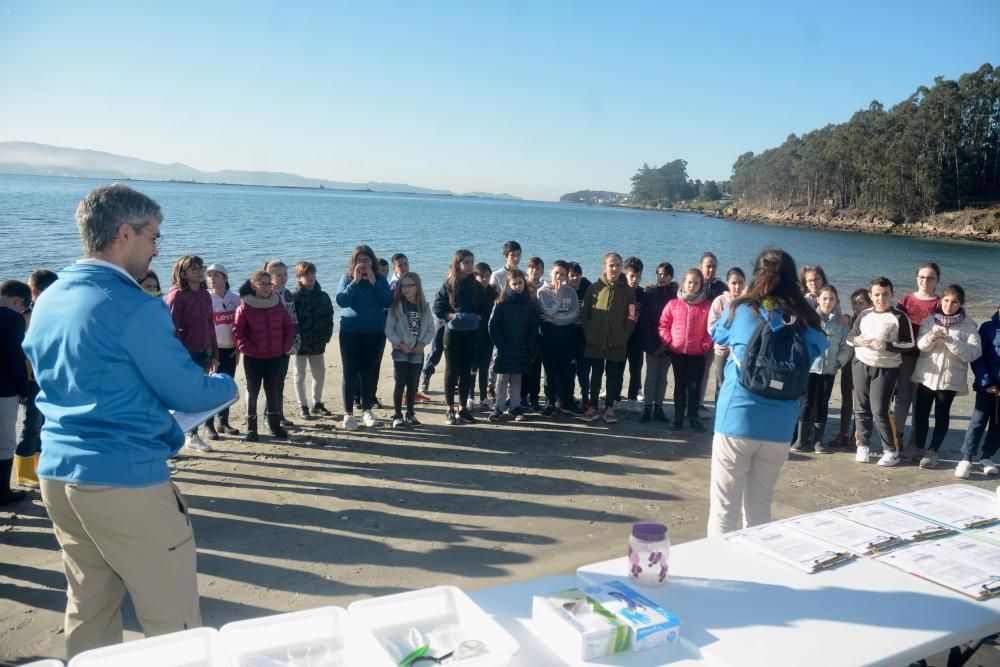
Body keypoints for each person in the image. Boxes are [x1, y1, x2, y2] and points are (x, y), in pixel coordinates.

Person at [22, 184, 237, 657]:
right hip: (123, 479)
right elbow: (186, 389)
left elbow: (53, 377)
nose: (157, 247)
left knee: (89, 605)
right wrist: (228, 384)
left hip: (58, 472)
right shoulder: (134, 306)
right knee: (171, 614)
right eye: (153, 236)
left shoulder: (51, 298)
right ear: (124, 233)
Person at [707, 248, 828, 536]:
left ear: (757, 275)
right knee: (760, 506)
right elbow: (819, 348)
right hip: (781, 426)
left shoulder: (741, 310)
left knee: (724, 509)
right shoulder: (807, 321)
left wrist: (747, 293)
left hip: (737, 419)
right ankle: (757, 572)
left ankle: (718, 573)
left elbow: (716, 334)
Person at [848, 276, 915, 466]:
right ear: (871, 296)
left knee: (880, 410)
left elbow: (909, 343)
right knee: (860, 407)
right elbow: (850, 337)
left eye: (885, 294)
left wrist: (887, 345)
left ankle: (891, 451)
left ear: (892, 295)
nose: (881, 298)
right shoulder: (864, 315)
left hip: (886, 369)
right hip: (861, 363)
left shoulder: (899, 316)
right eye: (877, 295)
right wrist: (857, 341)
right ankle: (863, 446)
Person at [912, 285, 981, 469]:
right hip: (927, 375)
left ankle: (932, 451)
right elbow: (920, 346)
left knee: (941, 414)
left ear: (961, 304)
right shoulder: (929, 321)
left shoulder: (969, 325)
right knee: (920, 413)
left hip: (950, 378)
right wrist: (931, 338)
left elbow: (973, 353)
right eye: (946, 301)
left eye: (954, 302)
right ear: (941, 300)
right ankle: (918, 446)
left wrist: (951, 340)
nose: (949, 305)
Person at [164, 255, 220, 450]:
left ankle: (192, 435)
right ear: (183, 272)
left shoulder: (205, 294)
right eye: (193, 268)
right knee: (181, 396)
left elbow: (210, 324)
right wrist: (179, 357)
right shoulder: (176, 296)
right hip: (185, 354)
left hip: (204, 350)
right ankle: (175, 437)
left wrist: (214, 353)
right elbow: (171, 330)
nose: (199, 271)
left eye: (200, 267)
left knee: (198, 394)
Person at [234, 271, 295, 441]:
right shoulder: (244, 307)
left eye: (269, 283)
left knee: (273, 390)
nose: (267, 287)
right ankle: (251, 428)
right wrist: (250, 349)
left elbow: (288, 327)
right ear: (254, 286)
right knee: (252, 391)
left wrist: (285, 346)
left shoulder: (277, 304)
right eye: (262, 284)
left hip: (275, 355)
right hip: (254, 358)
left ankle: (275, 425)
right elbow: (238, 333)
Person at [336, 245, 392, 430]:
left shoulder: (381, 279)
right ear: (354, 262)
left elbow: (387, 300)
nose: (364, 263)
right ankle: (348, 414)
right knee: (350, 372)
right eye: (360, 259)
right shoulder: (347, 278)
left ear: (372, 262)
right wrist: (356, 281)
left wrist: (374, 281)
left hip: (374, 333)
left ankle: (367, 410)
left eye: (367, 260)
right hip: (350, 332)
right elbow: (342, 301)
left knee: (368, 372)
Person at [578, 252, 636, 424]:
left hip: (616, 342)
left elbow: (632, 317)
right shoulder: (594, 289)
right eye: (611, 265)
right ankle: (593, 406)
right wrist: (590, 333)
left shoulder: (628, 292)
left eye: (618, 265)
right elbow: (585, 313)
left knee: (613, 375)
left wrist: (623, 335)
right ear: (604, 267)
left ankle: (609, 407)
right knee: (595, 374)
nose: (615, 268)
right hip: (595, 341)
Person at [14, 268, 58, 488]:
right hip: (31, 379)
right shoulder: (24, 316)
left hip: (51, 375)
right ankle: (24, 473)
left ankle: (39, 468)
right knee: (31, 424)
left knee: (45, 424)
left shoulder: (55, 312)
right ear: (34, 292)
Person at [794, 285, 851, 454]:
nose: (828, 302)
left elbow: (846, 347)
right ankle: (801, 440)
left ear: (836, 301)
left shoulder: (842, 323)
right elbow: (800, 343)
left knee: (822, 403)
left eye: (831, 299)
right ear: (817, 299)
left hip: (829, 370)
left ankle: (818, 441)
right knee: (806, 402)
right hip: (810, 369)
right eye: (824, 298)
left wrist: (837, 363)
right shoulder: (808, 319)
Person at [434, 249, 488, 424]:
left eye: (472, 262)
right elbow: (437, 306)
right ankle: (450, 408)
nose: (470, 265)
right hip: (452, 334)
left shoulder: (476, 285)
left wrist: (478, 316)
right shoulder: (449, 284)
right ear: (457, 264)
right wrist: (450, 316)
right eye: (466, 262)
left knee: (466, 371)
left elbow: (485, 307)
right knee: (451, 370)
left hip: (471, 334)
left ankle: (462, 408)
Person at [895, 263, 942, 460]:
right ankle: (895, 440)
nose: (925, 281)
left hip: (928, 359)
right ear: (916, 278)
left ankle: (915, 442)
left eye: (930, 278)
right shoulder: (906, 300)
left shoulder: (941, 303)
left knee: (919, 402)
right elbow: (893, 324)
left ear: (937, 280)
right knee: (902, 398)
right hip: (905, 357)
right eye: (922, 277)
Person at [660, 268, 714, 431]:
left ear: (701, 285)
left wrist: (705, 345)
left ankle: (693, 418)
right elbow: (664, 325)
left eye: (696, 283)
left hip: (697, 354)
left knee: (694, 387)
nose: (692, 286)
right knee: (679, 386)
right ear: (684, 282)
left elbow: (712, 329)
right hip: (678, 353)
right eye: (690, 282)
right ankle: (677, 418)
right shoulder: (673, 304)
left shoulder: (707, 305)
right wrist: (670, 342)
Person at [384, 271, 435, 429]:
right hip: (400, 350)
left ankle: (411, 414)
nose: (406, 289)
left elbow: (431, 330)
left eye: (410, 285)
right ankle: (398, 415)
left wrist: (422, 344)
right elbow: (389, 329)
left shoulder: (424, 307)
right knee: (400, 382)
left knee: (412, 383)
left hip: (417, 351)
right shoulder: (397, 306)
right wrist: (399, 344)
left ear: (417, 287)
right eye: (403, 286)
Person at [488, 269, 538, 422]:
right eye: (514, 283)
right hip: (504, 348)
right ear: (508, 285)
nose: (517, 286)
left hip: (522, 348)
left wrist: (530, 345)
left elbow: (533, 327)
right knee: (502, 379)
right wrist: (500, 344)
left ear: (524, 283)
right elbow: (492, 326)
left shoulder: (529, 304)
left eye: (520, 283)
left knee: (517, 379)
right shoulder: (501, 303)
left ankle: (515, 407)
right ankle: (498, 408)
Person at [956, 301, 1000, 478]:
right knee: (978, 421)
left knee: (998, 425)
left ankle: (987, 457)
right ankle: (966, 458)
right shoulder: (988, 328)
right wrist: (988, 383)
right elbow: (978, 358)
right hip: (988, 386)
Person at [0, 279, 31, 506]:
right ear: (19, 301)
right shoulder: (13, 319)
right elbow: (15, 359)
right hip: (5, 388)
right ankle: (3, 491)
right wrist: (24, 388)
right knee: (5, 441)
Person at [537, 260, 581, 416]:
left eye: (563, 274)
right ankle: (550, 402)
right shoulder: (543, 291)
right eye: (556, 273)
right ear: (551, 272)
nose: (559, 276)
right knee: (550, 372)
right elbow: (547, 312)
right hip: (549, 338)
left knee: (568, 371)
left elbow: (575, 314)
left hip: (568, 338)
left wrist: (556, 319)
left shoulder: (571, 291)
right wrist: (558, 296)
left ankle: (567, 401)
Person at [292, 261, 334, 419]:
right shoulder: (294, 296)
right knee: (299, 374)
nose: (310, 277)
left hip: (317, 341)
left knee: (319, 373)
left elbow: (329, 317)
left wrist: (326, 337)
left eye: (312, 273)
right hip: (300, 343)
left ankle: (317, 403)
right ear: (299, 277)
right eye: (306, 274)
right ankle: (302, 405)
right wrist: (292, 341)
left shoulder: (323, 296)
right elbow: (289, 320)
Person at [264, 260, 301, 429]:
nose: (283, 277)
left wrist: (295, 340)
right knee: (271, 381)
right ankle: (268, 414)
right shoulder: (266, 295)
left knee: (280, 380)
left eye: (285, 274)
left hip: (286, 343)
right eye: (279, 275)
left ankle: (279, 413)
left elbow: (293, 319)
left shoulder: (287, 294)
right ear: (269, 276)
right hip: (270, 344)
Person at [206, 263, 242, 435]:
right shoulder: (206, 298)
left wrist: (239, 346)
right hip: (214, 350)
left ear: (225, 278)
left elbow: (241, 325)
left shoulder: (235, 299)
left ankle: (223, 422)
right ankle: (209, 424)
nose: (212, 279)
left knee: (227, 386)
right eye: (210, 276)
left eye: (216, 275)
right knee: (211, 387)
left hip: (231, 349)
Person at [639, 262, 676, 423]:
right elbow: (644, 323)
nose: (662, 277)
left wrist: (666, 344)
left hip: (669, 343)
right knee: (651, 376)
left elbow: (677, 323)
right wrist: (653, 346)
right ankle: (647, 408)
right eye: (659, 274)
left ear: (671, 277)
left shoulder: (676, 296)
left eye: (666, 275)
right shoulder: (649, 294)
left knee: (663, 378)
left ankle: (659, 408)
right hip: (652, 344)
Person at [707, 268, 746, 406]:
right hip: (722, 350)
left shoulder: (748, 302)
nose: (737, 286)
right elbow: (711, 327)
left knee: (739, 384)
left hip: (741, 351)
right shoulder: (720, 301)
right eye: (734, 283)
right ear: (728, 283)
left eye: (741, 282)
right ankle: (719, 414)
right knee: (721, 383)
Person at [698, 251, 727, 414]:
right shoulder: (694, 284)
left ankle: (700, 402)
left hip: (713, 338)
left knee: (705, 370)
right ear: (700, 266)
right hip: (694, 336)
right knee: (692, 370)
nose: (711, 270)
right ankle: (688, 401)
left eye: (714, 267)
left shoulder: (722, 288)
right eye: (708, 266)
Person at [469, 262, 497, 411]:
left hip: (487, 336)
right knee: (472, 368)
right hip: (473, 335)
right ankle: (470, 396)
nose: (485, 279)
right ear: (475, 276)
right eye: (482, 276)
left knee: (484, 368)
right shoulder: (472, 291)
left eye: (487, 276)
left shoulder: (493, 292)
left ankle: (483, 398)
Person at [521, 256, 546, 411]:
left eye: (538, 268)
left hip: (540, 335)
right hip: (523, 333)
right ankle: (522, 397)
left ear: (542, 270)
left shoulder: (545, 287)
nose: (535, 270)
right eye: (532, 267)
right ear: (527, 269)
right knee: (523, 368)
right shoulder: (521, 284)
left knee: (536, 368)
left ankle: (535, 398)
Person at [568, 262, 592, 411]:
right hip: (568, 337)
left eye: (577, 275)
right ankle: (566, 397)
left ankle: (585, 398)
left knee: (584, 371)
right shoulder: (563, 290)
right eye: (572, 275)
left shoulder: (587, 288)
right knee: (568, 370)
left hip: (583, 338)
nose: (575, 278)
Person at [622, 257, 645, 413]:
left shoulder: (644, 294)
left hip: (637, 337)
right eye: (632, 276)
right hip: (621, 337)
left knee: (636, 369)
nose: (635, 279)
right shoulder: (620, 292)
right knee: (616, 368)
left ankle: (632, 398)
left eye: (638, 276)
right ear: (625, 274)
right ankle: (614, 396)